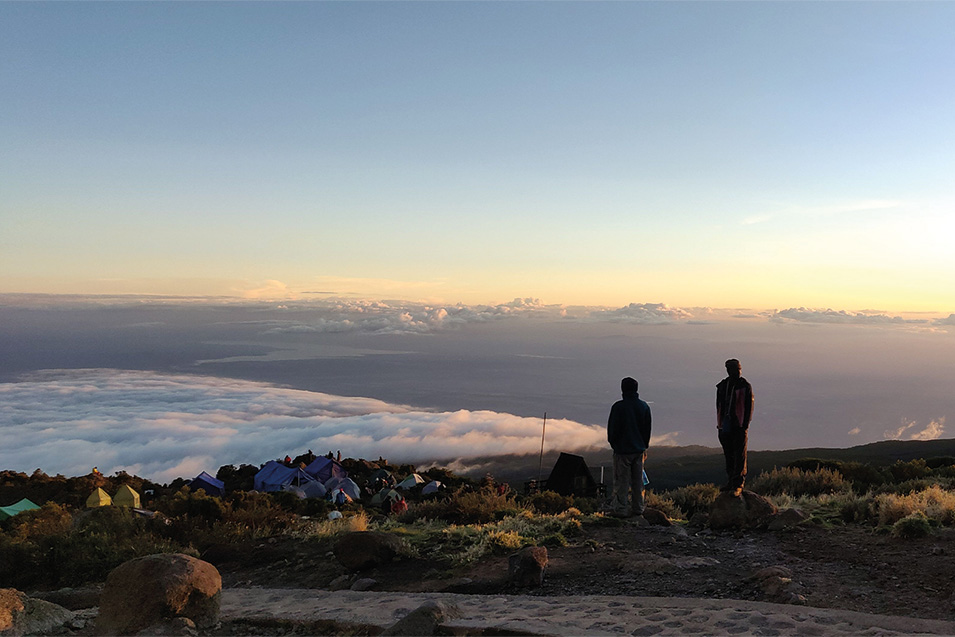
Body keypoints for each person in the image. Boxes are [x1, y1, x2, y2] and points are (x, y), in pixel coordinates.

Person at [607, 377, 652, 517]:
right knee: (638, 481)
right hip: (639, 450)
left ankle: (621, 509)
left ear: (623, 389)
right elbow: (647, 430)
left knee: (622, 481)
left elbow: (612, 430)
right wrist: (644, 446)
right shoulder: (644, 406)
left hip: (622, 451)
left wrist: (615, 445)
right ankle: (638, 508)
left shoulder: (618, 407)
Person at [716, 358, 755, 495]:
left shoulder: (745, 386)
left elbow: (749, 406)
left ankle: (738, 483)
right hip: (725, 426)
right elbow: (719, 406)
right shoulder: (723, 386)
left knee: (740, 455)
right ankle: (731, 481)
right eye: (735, 369)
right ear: (728, 370)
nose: (738, 371)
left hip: (739, 426)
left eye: (739, 369)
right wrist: (720, 425)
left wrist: (745, 425)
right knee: (729, 455)